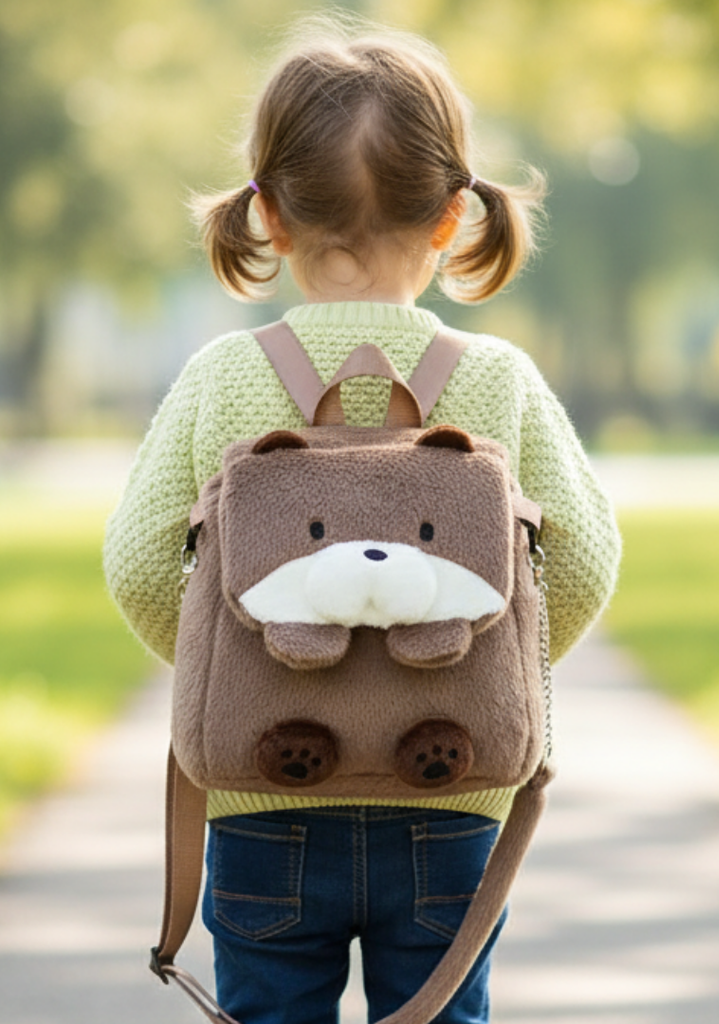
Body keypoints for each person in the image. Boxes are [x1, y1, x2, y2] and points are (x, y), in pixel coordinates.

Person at [104, 18, 620, 1024]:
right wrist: (484, 656)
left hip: (265, 793)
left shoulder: (223, 377)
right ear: (449, 218)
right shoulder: (495, 379)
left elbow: (135, 562)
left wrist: (239, 669)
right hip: (451, 786)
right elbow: (587, 561)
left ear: (268, 212)